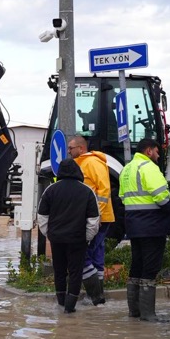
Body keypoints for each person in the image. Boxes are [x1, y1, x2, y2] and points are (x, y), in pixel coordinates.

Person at [119, 138, 170, 323]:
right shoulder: (148, 167)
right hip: (152, 225)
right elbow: (161, 196)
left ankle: (134, 311)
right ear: (149, 151)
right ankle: (148, 314)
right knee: (150, 268)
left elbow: (122, 197)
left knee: (137, 266)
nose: (158, 156)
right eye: (157, 152)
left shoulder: (127, 169)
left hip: (134, 225)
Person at [37, 158, 101, 314]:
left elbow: (42, 216)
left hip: (57, 239)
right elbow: (94, 220)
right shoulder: (87, 191)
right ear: (78, 171)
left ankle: (61, 304)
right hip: (77, 240)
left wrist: (50, 234)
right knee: (75, 272)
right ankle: (70, 308)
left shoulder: (50, 190)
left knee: (59, 271)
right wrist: (86, 238)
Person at [68, 135, 115, 306]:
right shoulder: (81, 163)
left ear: (81, 148)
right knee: (95, 255)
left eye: (71, 148)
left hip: (96, 219)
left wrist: (98, 215)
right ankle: (97, 296)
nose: (68, 151)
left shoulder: (92, 163)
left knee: (85, 255)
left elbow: (104, 190)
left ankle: (95, 296)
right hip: (94, 217)